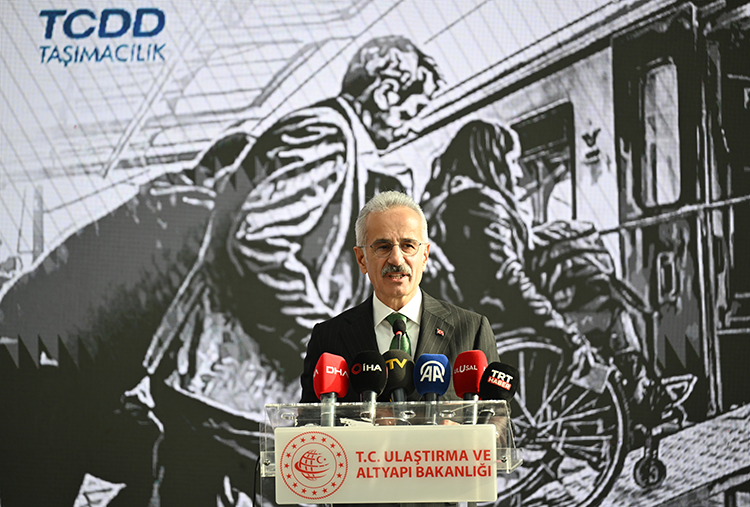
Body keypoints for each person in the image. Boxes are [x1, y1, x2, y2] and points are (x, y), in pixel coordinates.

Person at [134, 36, 444, 506]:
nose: (413, 122)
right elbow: (260, 243)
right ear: (384, 94)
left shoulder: (327, 133)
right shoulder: (327, 135)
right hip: (232, 376)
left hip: (206, 369)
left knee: (188, 486)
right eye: (414, 107)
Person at [300, 190, 500, 403]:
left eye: (408, 246)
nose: (396, 259)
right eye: (383, 247)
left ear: (425, 255)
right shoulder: (329, 338)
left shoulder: (471, 331)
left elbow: (496, 418)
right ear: (361, 259)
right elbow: (311, 420)